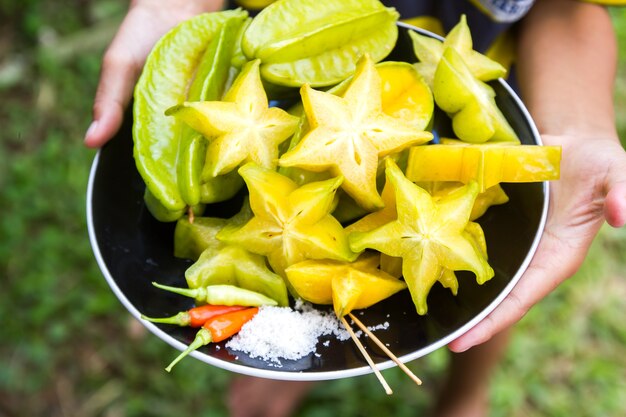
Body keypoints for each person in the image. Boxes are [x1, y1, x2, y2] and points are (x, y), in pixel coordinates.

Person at [85, 1, 626, 416]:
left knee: (491, 295)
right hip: (278, 71)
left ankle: (465, 395)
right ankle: (285, 373)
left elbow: (567, 8)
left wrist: (581, 127)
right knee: (299, 296)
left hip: (457, 95)